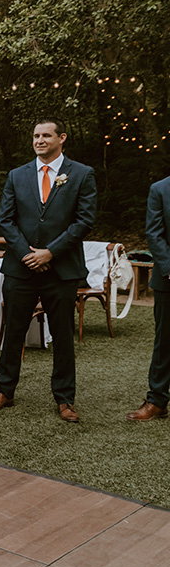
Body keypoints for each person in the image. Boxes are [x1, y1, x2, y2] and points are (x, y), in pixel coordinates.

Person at [0, 118, 96, 422]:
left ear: (62, 138)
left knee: (62, 335)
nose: (40, 140)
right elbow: (5, 219)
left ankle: (64, 398)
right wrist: (26, 253)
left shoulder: (82, 174)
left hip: (61, 270)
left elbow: (84, 221)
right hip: (21, 269)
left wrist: (50, 253)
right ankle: (4, 391)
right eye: (36, 136)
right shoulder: (17, 175)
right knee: (14, 332)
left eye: (46, 135)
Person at [127, 176, 170, 421]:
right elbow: (155, 234)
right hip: (168, 279)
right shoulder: (160, 189)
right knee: (165, 341)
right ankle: (157, 400)